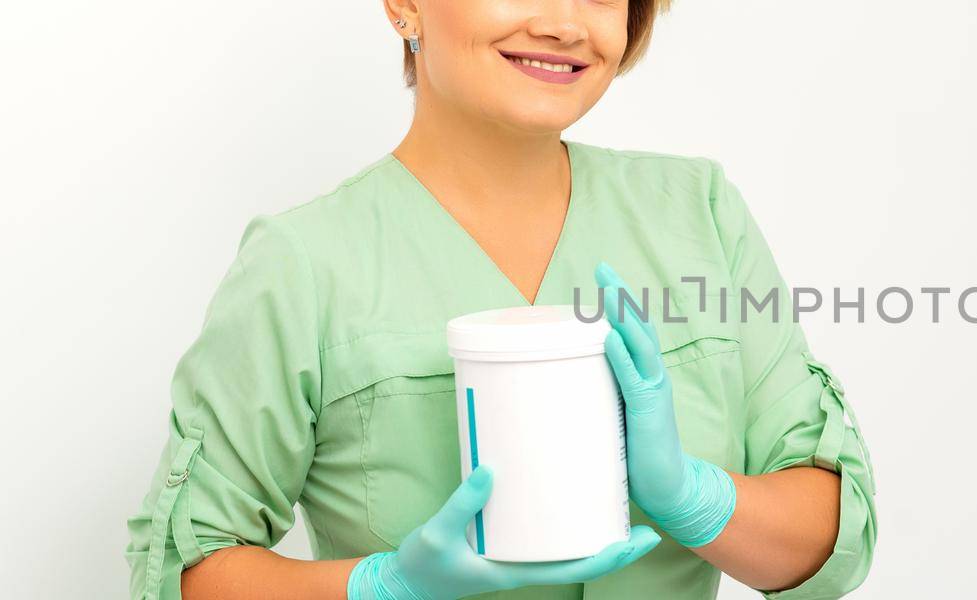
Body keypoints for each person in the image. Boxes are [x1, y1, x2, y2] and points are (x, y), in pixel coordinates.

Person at [123, 1, 877, 598]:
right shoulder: (303, 265)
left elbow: (831, 536)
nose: (563, 22)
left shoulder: (698, 212)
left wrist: (691, 495)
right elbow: (186, 571)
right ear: (403, 4)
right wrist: (379, 588)